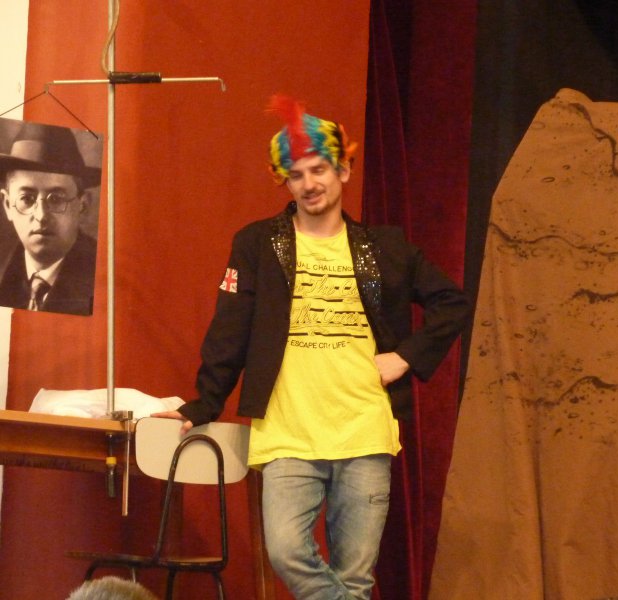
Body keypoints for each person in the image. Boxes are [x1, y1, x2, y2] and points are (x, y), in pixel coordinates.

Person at [154, 95, 471, 599]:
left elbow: (452, 302)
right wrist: (204, 403)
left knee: (355, 578)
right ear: (284, 181)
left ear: (343, 169)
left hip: (364, 431)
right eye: (296, 175)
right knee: (286, 551)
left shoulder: (385, 248)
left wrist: (405, 357)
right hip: (288, 433)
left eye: (319, 169)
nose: (309, 183)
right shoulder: (258, 245)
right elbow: (229, 331)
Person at [0, 120, 100, 315]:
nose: (41, 216)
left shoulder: (104, 278)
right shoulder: (5, 279)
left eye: (56, 199)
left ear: (82, 205)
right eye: (26, 199)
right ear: (7, 205)